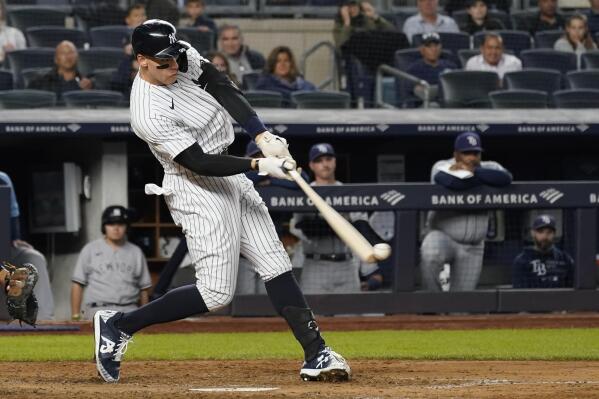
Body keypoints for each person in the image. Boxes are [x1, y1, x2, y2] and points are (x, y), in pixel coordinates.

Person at [93, 20, 350, 384]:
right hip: (195, 185)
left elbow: (218, 82)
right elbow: (198, 161)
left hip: (229, 170)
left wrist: (260, 133)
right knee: (216, 293)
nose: (174, 67)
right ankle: (120, 324)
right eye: (163, 63)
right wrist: (260, 164)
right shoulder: (147, 112)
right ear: (141, 61)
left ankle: (316, 352)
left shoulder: (179, 56)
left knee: (276, 262)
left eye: (175, 58)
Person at [420, 132, 512, 292]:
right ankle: (433, 306)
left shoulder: (491, 166)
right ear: (456, 154)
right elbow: (452, 182)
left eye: (475, 153)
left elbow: (505, 178)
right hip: (443, 237)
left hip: (473, 246)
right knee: (430, 254)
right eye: (466, 153)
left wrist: (473, 172)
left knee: (461, 305)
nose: (472, 158)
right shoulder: (442, 166)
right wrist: (482, 179)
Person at [290, 143, 385, 294]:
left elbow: (361, 227)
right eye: (319, 161)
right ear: (311, 165)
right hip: (315, 264)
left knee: (350, 315)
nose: (325, 164)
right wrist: (342, 226)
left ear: (334, 162)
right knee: (313, 315)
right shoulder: (304, 192)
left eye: (328, 159)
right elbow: (302, 228)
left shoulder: (348, 192)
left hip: (346, 264)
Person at [71, 206, 152, 321]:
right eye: (111, 224)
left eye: (120, 224)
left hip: (129, 310)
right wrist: (75, 316)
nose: (116, 228)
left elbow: (144, 289)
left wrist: (145, 317)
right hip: (97, 310)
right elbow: (77, 284)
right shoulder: (90, 249)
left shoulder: (136, 252)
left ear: (127, 227)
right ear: (104, 227)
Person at [0, 171, 54, 320]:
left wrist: (15, 238)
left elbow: (11, 217)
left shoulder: (3, 179)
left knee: (33, 258)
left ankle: (43, 321)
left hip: (3, 247)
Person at [512, 215, 574, 289]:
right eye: (540, 232)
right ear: (533, 233)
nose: (545, 236)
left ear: (554, 234)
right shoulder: (522, 260)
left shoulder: (565, 259)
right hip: (532, 300)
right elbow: (520, 293)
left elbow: (572, 289)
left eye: (549, 232)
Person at [28, 41, 93, 102]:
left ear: (77, 57)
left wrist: (88, 92)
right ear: (56, 59)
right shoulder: (40, 82)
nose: (67, 57)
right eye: (63, 53)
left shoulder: (88, 83)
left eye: (71, 53)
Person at [406, 32, 457, 103]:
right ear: (422, 50)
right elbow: (421, 93)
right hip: (425, 107)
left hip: (449, 104)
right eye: (429, 46)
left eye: (436, 46)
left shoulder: (451, 67)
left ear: (440, 48)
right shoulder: (414, 70)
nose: (433, 49)